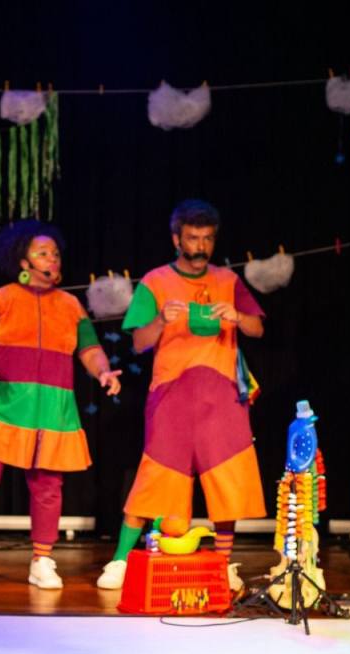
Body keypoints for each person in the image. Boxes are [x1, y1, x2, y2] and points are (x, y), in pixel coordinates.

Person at [0, 219, 121, 588]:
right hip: (0, 400)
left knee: (48, 484)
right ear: (23, 262)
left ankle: (42, 560)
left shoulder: (71, 305)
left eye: (55, 253)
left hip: (49, 405)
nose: (52, 259)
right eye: (42, 253)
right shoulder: (1, 297)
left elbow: (90, 349)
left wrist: (103, 371)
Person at [96, 200, 266, 590]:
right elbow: (139, 342)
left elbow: (257, 328)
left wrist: (237, 316)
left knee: (226, 480)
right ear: (177, 239)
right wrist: (161, 319)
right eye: (192, 238)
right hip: (172, 397)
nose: (200, 246)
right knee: (155, 477)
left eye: (207, 238)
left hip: (222, 398)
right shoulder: (155, 281)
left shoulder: (228, 280)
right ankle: (120, 560)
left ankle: (223, 563)